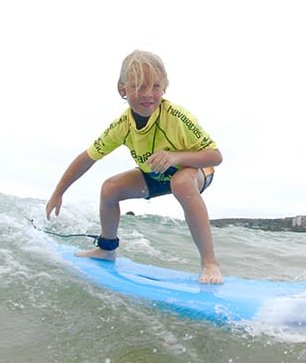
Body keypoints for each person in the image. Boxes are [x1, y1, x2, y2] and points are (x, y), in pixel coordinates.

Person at [46, 50, 224, 284]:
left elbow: (215, 156)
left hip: (195, 171)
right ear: (123, 89)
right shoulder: (122, 126)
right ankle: (107, 249)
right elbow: (87, 158)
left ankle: (210, 263)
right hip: (156, 174)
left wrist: (176, 158)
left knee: (180, 182)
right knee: (110, 188)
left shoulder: (177, 117)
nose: (148, 95)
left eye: (155, 86)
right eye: (139, 87)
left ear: (165, 87)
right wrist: (59, 192)